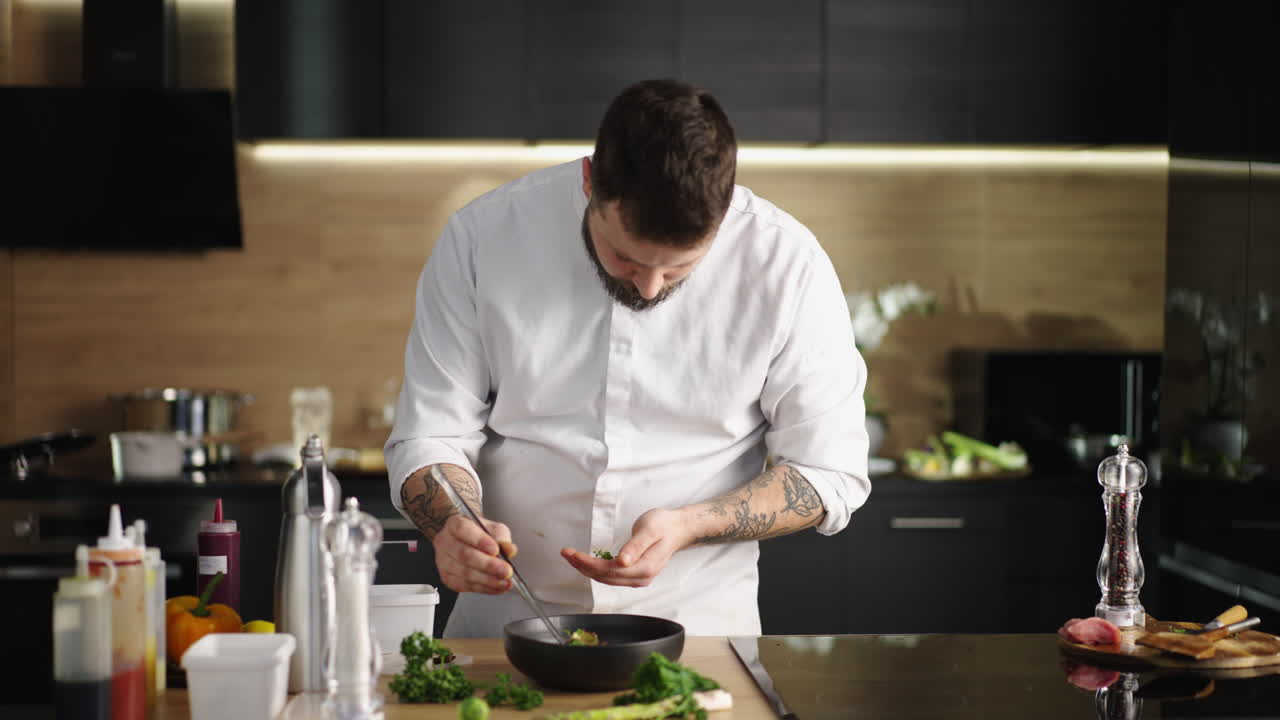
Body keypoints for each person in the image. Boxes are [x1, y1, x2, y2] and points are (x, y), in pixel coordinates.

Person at [385, 78, 871, 638]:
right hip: (504, 629)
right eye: (625, 258)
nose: (648, 288)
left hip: (702, 631)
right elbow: (431, 434)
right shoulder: (482, 238)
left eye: (680, 269)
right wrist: (452, 524)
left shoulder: (788, 265)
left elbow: (827, 471)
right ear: (591, 181)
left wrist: (691, 524)